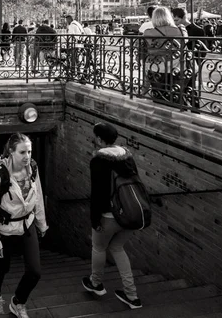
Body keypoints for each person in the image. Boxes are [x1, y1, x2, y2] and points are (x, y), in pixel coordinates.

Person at [0, 133, 47, 318]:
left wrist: (42, 224)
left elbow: (39, 197)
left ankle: (18, 302)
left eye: (29, 151)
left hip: (27, 225)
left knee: (35, 272)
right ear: (11, 151)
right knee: (3, 267)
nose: (27, 156)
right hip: (6, 229)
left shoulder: (33, 168)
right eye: (22, 152)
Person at [82, 122, 142, 309]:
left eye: (95, 137)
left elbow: (98, 192)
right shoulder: (128, 157)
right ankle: (132, 297)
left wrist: (95, 218)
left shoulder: (99, 161)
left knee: (99, 247)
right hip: (130, 214)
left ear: (100, 139)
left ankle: (96, 283)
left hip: (108, 215)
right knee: (117, 247)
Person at [142, 6, 188, 102]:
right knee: (176, 97)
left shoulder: (148, 32)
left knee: (158, 96)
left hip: (156, 67)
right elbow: (185, 44)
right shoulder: (180, 30)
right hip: (176, 67)